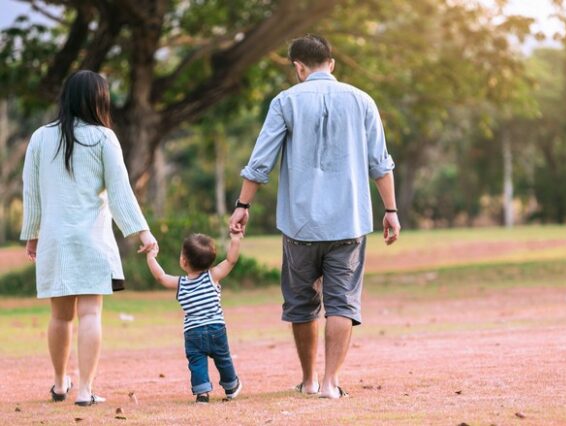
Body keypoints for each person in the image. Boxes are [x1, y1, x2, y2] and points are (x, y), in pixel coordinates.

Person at [229, 34, 401, 399]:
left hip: (300, 224)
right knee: (342, 302)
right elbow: (379, 164)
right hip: (349, 222)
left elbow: (261, 162)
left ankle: (307, 379)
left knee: (301, 302)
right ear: (332, 64)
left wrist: (243, 205)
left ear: (298, 67)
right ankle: (330, 383)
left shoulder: (285, 102)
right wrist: (391, 210)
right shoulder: (362, 101)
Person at [20, 70, 157, 406]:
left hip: (55, 239)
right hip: (92, 239)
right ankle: (85, 391)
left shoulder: (40, 138)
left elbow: (32, 193)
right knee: (91, 315)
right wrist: (142, 231)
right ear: (99, 99)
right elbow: (121, 191)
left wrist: (31, 234)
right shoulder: (103, 138)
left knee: (60, 316)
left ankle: (58, 384)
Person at [146, 232, 243, 403]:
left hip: (193, 332)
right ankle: (230, 386)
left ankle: (202, 393)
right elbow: (231, 260)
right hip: (216, 328)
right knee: (223, 358)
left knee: (197, 362)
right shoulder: (213, 276)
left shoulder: (180, 283)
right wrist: (235, 239)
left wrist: (151, 257)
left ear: (184, 261)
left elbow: (160, 277)